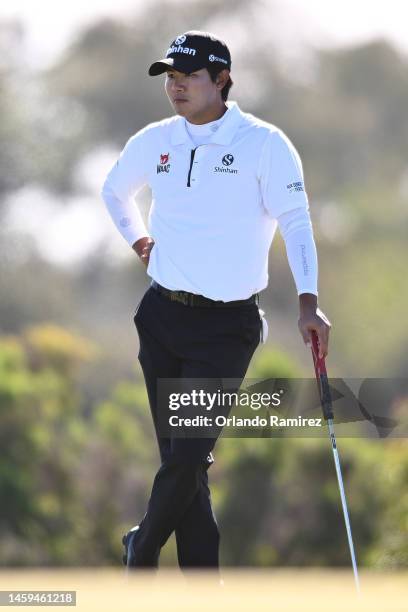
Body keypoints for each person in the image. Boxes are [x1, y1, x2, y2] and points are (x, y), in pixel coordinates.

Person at [101, 30, 331, 572]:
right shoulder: (156, 139)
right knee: (185, 466)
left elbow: (296, 222)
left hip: (226, 327)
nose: (176, 87)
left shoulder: (264, 143)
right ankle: (205, 586)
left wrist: (307, 299)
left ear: (222, 80)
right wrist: (139, 241)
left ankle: (142, 550)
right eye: (171, 78)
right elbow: (114, 190)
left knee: (185, 456)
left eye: (189, 77)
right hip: (160, 316)